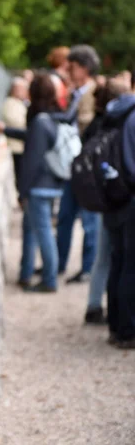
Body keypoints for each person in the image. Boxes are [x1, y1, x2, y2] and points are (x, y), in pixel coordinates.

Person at [0, 72, 64, 293]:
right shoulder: (50, 117)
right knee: (32, 229)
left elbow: (32, 161)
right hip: (49, 183)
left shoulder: (40, 122)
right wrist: (5, 130)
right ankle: (26, 273)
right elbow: (29, 136)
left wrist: (22, 191)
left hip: (38, 186)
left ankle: (50, 279)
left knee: (42, 232)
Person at [83, 81, 127, 325]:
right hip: (119, 196)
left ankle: (94, 305)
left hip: (103, 196)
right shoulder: (120, 124)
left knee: (103, 257)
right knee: (120, 258)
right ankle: (118, 314)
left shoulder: (96, 125)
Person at [56, 45, 100, 284]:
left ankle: (87, 269)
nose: (68, 71)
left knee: (89, 222)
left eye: (71, 67)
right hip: (72, 165)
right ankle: (59, 263)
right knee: (64, 216)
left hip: (86, 168)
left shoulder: (93, 94)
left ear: (83, 68)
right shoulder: (76, 93)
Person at [102, 88, 135, 348]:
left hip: (115, 195)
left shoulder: (116, 111)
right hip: (131, 195)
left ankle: (116, 325)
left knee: (119, 260)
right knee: (130, 265)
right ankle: (128, 330)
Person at [0, 77, 29, 189]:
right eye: (22, 89)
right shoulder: (10, 103)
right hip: (17, 145)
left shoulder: (21, 103)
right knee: (20, 174)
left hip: (23, 144)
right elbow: (16, 122)